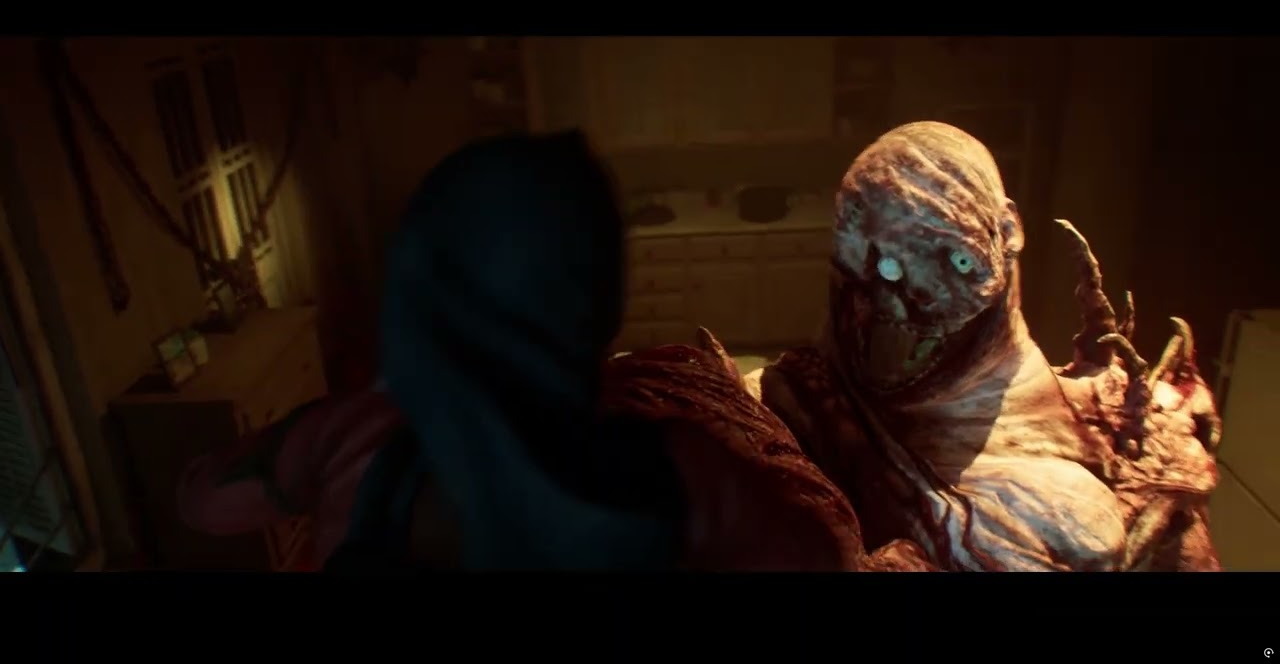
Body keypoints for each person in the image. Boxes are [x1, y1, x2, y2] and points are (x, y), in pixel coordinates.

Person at [178, 131, 929, 571]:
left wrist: (322, 434)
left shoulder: (353, 437)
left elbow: (203, 500)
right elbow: (819, 556)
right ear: (596, 304)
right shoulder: (682, 469)